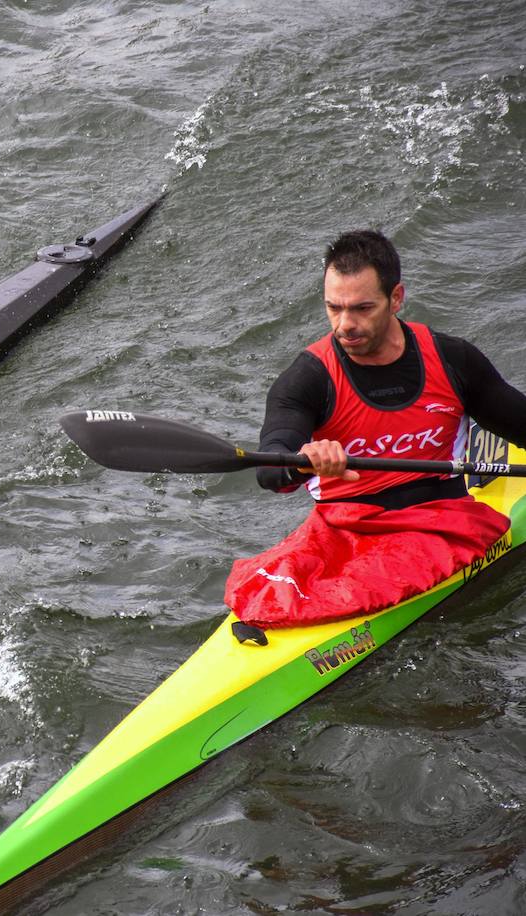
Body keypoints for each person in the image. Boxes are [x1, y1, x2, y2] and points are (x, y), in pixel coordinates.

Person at [225, 229, 526, 632]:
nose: (345, 324)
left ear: (396, 298)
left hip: (440, 521)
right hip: (346, 530)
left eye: (362, 308)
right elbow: (270, 470)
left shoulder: (452, 359)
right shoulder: (307, 379)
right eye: (334, 308)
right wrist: (303, 463)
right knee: (266, 597)